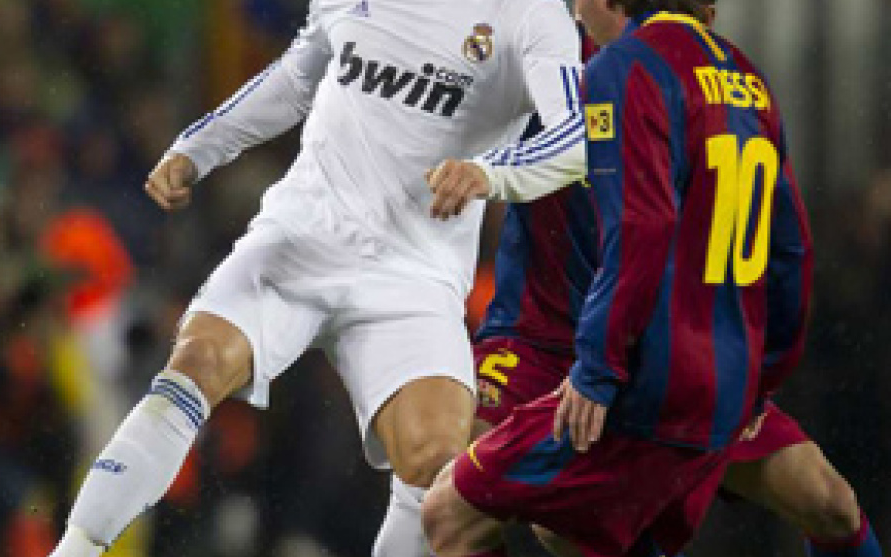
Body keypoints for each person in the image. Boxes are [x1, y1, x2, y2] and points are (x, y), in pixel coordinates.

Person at [47, 0, 588, 555]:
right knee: (196, 363)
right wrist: (198, 148)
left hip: (413, 276)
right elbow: (298, 75)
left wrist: (489, 173)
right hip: (301, 236)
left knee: (437, 469)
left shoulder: (532, 16)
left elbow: (575, 139)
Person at [466, 2, 884, 556]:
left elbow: (772, 236)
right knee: (455, 484)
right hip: (538, 342)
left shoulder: (679, 74)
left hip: (651, 354)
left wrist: (755, 375)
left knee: (828, 501)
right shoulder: (540, 49)